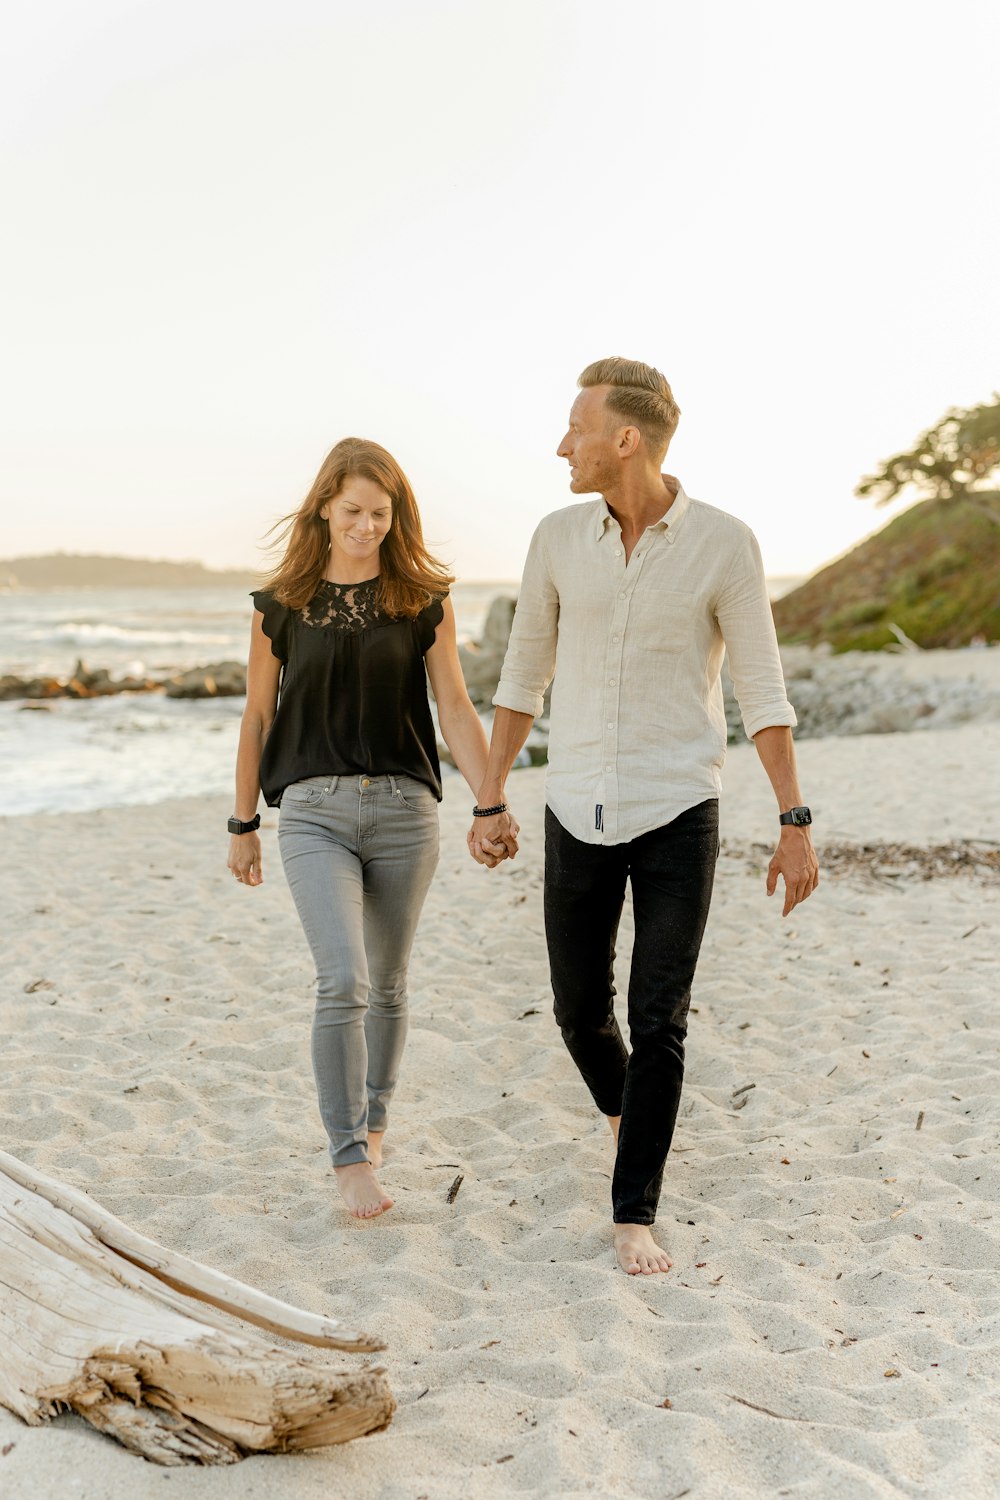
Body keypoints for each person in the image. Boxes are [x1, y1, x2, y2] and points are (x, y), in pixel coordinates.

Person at [468, 358, 819, 1276]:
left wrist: (794, 819)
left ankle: (635, 1211)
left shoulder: (725, 544)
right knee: (579, 1013)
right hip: (574, 806)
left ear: (627, 438)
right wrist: (491, 796)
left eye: (574, 429)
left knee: (658, 1017)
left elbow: (761, 688)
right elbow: (521, 679)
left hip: (678, 809)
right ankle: (637, 1118)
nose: (560, 445)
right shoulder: (554, 538)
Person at [228, 437, 515, 1220]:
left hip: (404, 812)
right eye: (352, 510)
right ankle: (348, 1153)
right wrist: (242, 821)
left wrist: (490, 799)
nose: (365, 526)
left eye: (380, 514)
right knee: (343, 979)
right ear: (324, 505)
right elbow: (257, 716)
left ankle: (377, 1122)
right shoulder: (279, 605)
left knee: (388, 984)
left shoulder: (423, 600)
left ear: (397, 517)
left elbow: (454, 707)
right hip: (313, 814)